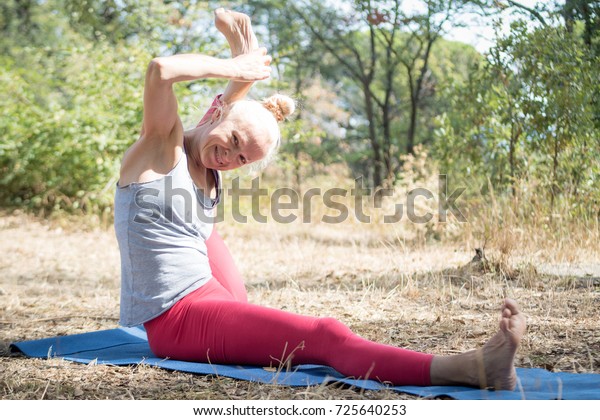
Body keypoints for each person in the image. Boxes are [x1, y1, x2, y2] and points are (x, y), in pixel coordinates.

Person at [114, 8, 526, 390]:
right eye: (234, 141)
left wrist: (245, 56)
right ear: (216, 113)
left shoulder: (209, 154)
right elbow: (161, 70)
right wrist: (236, 66)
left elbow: (229, 109)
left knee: (241, 301)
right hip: (178, 320)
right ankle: (470, 369)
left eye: (242, 158)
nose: (229, 157)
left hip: (207, 295)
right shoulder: (159, 150)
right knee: (325, 336)